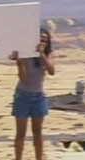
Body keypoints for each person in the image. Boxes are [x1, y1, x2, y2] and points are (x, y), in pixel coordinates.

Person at [9, 28, 55, 160]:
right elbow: (23, 78)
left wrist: (41, 54)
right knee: (21, 133)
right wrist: (19, 63)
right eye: (41, 39)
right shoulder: (26, 54)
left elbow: (51, 71)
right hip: (23, 96)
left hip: (38, 97)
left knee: (38, 132)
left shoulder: (48, 54)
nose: (43, 42)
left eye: (45, 40)